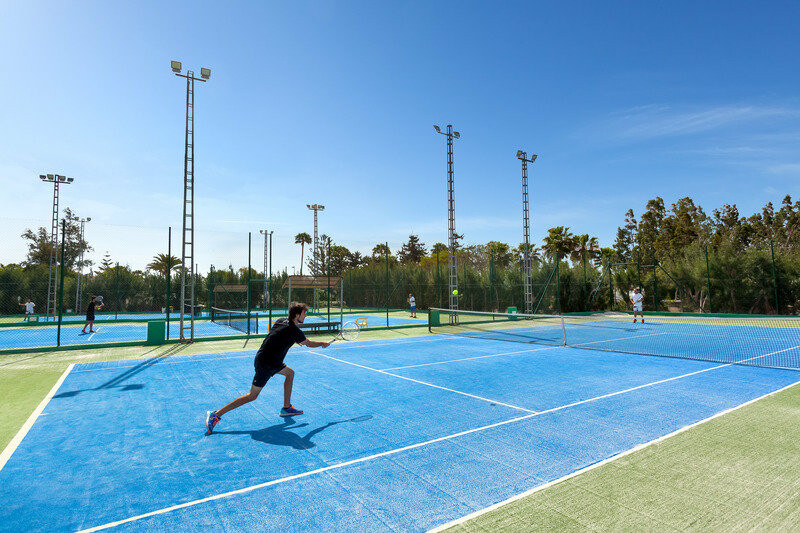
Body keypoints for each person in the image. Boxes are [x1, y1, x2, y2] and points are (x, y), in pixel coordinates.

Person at [205, 302, 330, 435]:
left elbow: (280, 336)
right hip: (266, 363)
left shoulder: (281, 321)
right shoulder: (293, 330)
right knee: (252, 396)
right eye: (304, 313)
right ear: (297, 315)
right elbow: (308, 343)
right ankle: (216, 414)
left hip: (271, 360)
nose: (306, 315)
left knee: (290, 373)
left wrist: (295, 340)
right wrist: (322, 343)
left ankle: (286, 407)